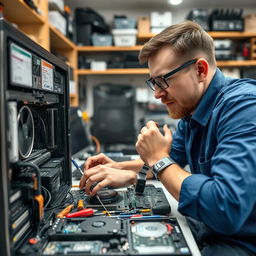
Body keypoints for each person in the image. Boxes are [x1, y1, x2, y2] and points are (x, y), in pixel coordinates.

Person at [79, 21, 256, 256]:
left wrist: (158, 157)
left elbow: (225, 209)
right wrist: (121, 168)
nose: (157, 93)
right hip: (210, 227)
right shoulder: (193, 112)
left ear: (200, 70)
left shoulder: (244, 108)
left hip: (241, 240)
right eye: (153, 82)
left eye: (163, 80)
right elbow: (169, 161)